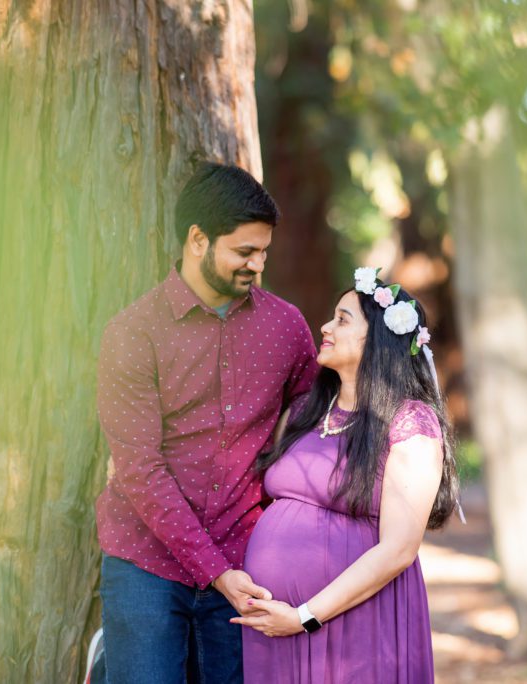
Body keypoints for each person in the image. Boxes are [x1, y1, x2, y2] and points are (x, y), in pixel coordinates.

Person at [90, 161, 318, 683]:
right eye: (244, 252)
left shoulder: (286, 328)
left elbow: (314, 426)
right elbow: (140, 470)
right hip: (145, 561)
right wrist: (215, 573)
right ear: (197, 240)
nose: (257, 265)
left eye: (264, 252)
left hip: (249, 559)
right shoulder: (132, 334)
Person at [233, 268, 460, 683]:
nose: (324, 327)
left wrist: (304, 616)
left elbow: (399, 549)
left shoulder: (410, 423)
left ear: (377, 339)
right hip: (272, 628)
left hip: (354, 622)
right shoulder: (306, 410)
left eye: (342, 319)